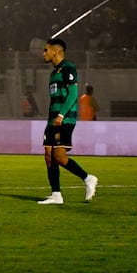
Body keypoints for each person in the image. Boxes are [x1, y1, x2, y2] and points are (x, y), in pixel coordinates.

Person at [36, 38, 99, 205]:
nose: (43, 53)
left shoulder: (68, 68)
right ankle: (56, 195)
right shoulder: (53, 73)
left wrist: (61, 115)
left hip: (64, 119)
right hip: (53, 120)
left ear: (55, 51)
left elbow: (73, 94)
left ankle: (87, 178)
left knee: (59, 156)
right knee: (48, 155)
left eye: (46, 50)